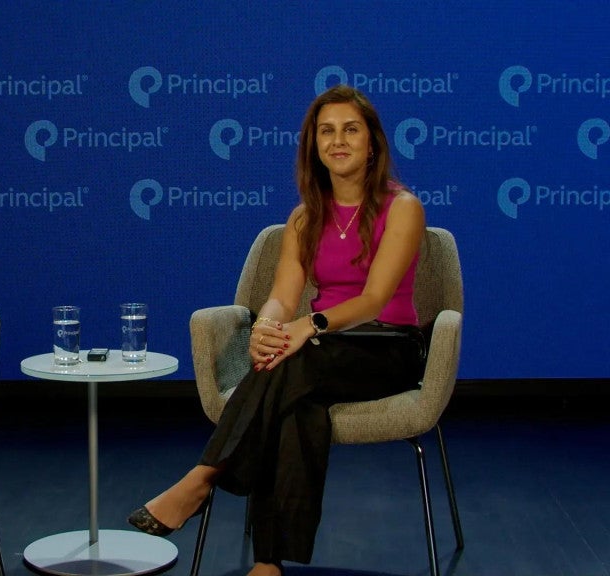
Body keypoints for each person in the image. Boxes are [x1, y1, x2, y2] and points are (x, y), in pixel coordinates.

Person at [127, 84, 427, 576]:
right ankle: (268, 564)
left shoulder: (403, 207)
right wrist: (267, 325)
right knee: (293, 407)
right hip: (321, 352)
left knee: (294, 357)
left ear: (373, 142)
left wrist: (309, 325)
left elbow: (375, 298)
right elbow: (283, 296)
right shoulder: (305, 217)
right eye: (326, 132)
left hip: (388, 347)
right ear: (314, 146)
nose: (338, 141)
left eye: (351, 130)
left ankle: (204, 476)